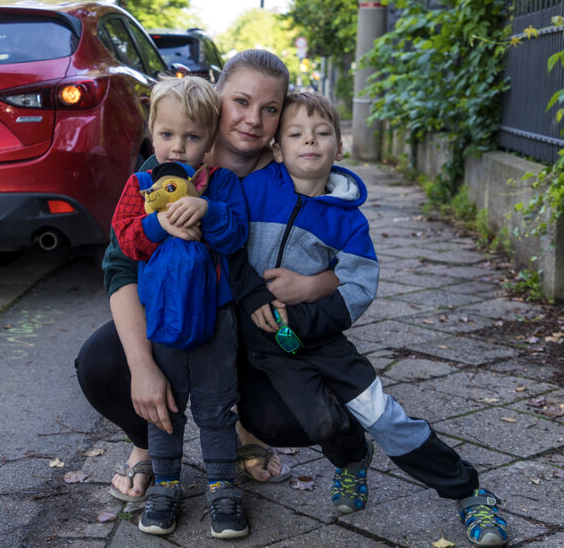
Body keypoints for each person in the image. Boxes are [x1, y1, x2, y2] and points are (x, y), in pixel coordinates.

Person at [75, 50, 359, 512]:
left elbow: (346, 255)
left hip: (252, 327)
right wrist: (143, 367)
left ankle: (243, 428)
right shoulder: (167, 166)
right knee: (102, 364)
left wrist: (312, 285)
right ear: (215, 98)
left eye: (270, 109)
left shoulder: (293, 172)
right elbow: (121, 265)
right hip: (173, 319)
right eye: (241, 102)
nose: (252, 119)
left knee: (289, 417)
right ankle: (147, 442)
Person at [231, 91, 508, 548]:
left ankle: (469, 492)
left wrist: (304, 310)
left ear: (339, 147)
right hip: (270, 347)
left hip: (322, 340)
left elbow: (360, 286)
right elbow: (228, 246)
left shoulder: (348, 220)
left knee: (384, 416)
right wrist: (253, 294)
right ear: (277, 149)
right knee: (322, 425)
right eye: (296, 134)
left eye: (322, 133)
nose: (310, 142)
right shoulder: (253, 191)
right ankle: (354, 460)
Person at [110, 75, 249, 538]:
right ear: (152, 131)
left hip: (216, 320)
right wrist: (157, 226)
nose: (177, 147)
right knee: (165, 407)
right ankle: (166, 485)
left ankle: (223, 486)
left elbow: (235, 237)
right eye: (167, 135)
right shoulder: (141, 184)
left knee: (216, 407)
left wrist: (208, 212)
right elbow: (126, 241)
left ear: (209, 142)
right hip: (161, 320)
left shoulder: (220, 184)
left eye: (191, 137)